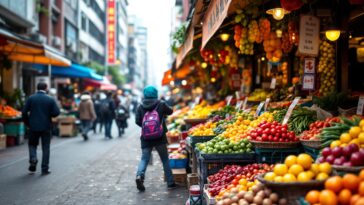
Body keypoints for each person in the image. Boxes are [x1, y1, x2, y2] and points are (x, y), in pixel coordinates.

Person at [135, 85, 177, 191]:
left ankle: (139, 175)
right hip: (160, 137)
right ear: (155, 93)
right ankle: (170, 182)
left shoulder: (140, 106)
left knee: (144, 159)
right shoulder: (161, 104)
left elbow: (137, 121)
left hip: (145, 138)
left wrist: (147, 129)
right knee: (164, 159)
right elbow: (170, 111)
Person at [22, 82, 60, 175]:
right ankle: (45, 168)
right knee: (46, 147)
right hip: (46, 126)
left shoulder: (31, 98)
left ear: (37, 88)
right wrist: (48, 114)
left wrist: (27, 123)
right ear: (46, 88)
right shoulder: (50, 99)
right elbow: (56, 112)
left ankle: (33, 159)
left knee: (32, 145)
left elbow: (24, 112)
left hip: (33, 126)